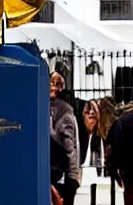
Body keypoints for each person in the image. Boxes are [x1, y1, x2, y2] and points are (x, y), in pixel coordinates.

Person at [50, 72, 80, 205]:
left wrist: (73, 175)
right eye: (51, 83)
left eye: (57, 84)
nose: (54, 87)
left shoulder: (63, 111)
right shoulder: (62, 109)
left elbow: (70, 147)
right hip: (55, 171)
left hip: (58, 172)